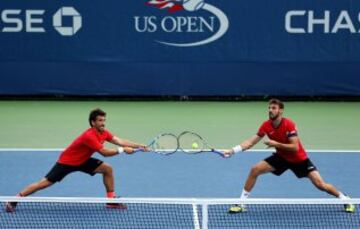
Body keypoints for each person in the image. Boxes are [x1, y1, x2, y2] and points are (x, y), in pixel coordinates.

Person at [224, 98, 355, 213]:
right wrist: (233, 150)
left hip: (299, 160)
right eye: (269, 108)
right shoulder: (266, 125)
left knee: (321, 185)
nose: (270, 110)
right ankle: (241, 203)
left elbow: (294, 147)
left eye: (274, 108)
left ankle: (344, 198)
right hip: (281, 157)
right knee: (255, 170)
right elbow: (250, 142)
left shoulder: (289, 124)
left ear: (281, 111)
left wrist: (276, 143)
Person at [6, 108, 147, 212]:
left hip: (83, 160)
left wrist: (139, 145)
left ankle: (110, 200)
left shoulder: (104, 132)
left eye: (104, 120)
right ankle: (15, 199)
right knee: (44, 183)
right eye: (100, 120)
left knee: (107, 169)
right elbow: (104, 152)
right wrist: (122, 151)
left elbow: (119, 140)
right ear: (93, 122)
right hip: (67, 162)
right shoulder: (89, 136)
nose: (103, 123)